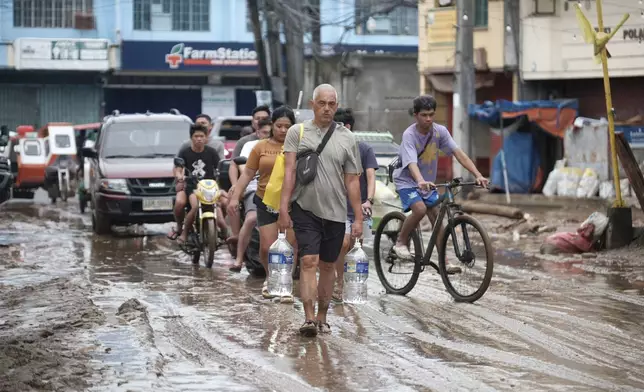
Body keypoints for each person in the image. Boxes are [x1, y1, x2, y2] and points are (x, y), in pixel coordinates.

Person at [278, 84, 363, 337]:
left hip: (336, 212)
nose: (327, 109)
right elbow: (290, 171)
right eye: (322, 103)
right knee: (308, 261)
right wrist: (283, 208)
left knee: (327, 266)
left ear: (336, 106)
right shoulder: (297, 132)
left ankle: (323, 316)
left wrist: (358, 217)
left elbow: (352, 180)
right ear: (312, 105)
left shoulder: (347, 138)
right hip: (305, 208)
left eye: (332, 104)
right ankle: (307, 318)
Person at [392, 95, 489, 270]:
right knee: (420, 209)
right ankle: (401, 242)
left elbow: (458, 153)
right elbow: (412, 163)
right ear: (415, 115)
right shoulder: (409, 135)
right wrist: (420, 180)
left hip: (427, 183)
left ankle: (443, 262)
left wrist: (478, 174)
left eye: (431, 114)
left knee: (437, 217)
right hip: (407, 180)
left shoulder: (440, 132)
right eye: (424, 115)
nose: (428, 119)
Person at [227, 106, 298, 301]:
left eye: (287, 126)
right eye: (279, 126)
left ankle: (285, 285)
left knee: (290, 247)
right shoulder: (260, 147)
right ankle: (270, 279)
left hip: (292, 203)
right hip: (265, 201)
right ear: (272, 125)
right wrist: (235, 197)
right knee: (267, 247)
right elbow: (248, 174)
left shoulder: (299, 146)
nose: (283, 130)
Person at [331, 108, 379, 303]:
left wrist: (369, 199)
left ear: (346, 127)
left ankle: (350, 283)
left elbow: (371, 176)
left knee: (353, 246)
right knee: (342, 243)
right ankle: (339, 283)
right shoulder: (331, 149)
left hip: (358, 207)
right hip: (337, 206)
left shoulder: (364, 149)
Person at [169, 114, 228, 240]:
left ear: (206, 137)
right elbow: (178, 168)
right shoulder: (185, 151)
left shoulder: (212, 151)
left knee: (222, 215)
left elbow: (219, 168)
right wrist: (180, 177)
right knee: (194, 206)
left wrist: (222, 184)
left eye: (202, 136)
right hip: (192, 186)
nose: (199, 139)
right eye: (196, 136)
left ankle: (226, 236)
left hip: (210, 186)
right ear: (191, 138)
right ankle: (183, 231)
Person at [227, 119, 271, 271]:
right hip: (254, 187)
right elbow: (244, 168)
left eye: (269, 132)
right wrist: (237, 186)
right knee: (252, 218)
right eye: (264, 132)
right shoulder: (250, 146)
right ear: (257, 132)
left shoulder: (284, 146)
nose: (267, 135)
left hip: (279, 191)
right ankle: (239, 259)